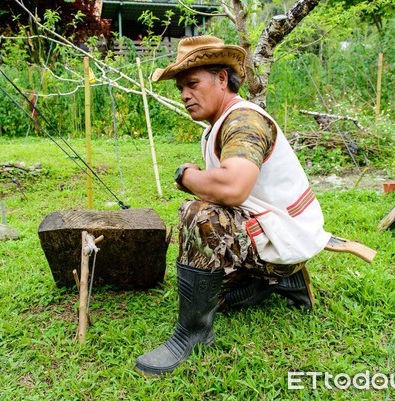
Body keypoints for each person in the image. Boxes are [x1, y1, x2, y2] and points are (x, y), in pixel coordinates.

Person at [135, 35, 331, 377]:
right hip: (278, 234)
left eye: (193, 84)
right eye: (181, 87)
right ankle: (283, 281)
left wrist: (186, 176)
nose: (184, 95)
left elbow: (233, 187)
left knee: (198, 214)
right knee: (217, 299)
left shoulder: (244, 121)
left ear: (222, 79)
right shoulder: (219, 124)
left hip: (284, 236)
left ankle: (192, 336)